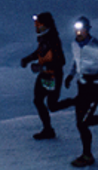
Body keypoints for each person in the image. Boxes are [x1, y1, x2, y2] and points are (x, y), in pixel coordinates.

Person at [51, 16, 98, 167]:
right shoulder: (75, 44)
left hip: (95, 89)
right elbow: (76, 61)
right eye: (76, 29)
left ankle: (88, 156)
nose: (78, 32)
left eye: (82, 29)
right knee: (82, 121)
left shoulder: (97, 46)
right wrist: (71, 76)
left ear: (87, 30)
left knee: (83, 123)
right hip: (82, 86)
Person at [19, 12, 66, 140]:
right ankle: (48, 129)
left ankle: (77, 101)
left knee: (52, 105)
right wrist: (28, 59)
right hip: (46, 75)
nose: (38, 28)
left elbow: (60, 61)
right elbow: (40, 52)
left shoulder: (53, 40)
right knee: (39, 100)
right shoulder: (44, 38)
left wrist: (42, 67)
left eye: (40, 25)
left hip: (52, 76)